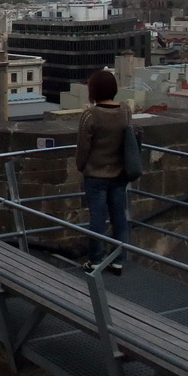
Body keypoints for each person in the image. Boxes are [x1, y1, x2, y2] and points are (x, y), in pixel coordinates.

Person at [75, 70, 132, 275]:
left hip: (96, 174)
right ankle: (118, 259)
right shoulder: (125, 112)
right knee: (119, 217)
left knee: (97, 218)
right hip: (119, 173)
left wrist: (81, 166)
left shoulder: (90, 115)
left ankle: (96, 260)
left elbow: (83, 148)